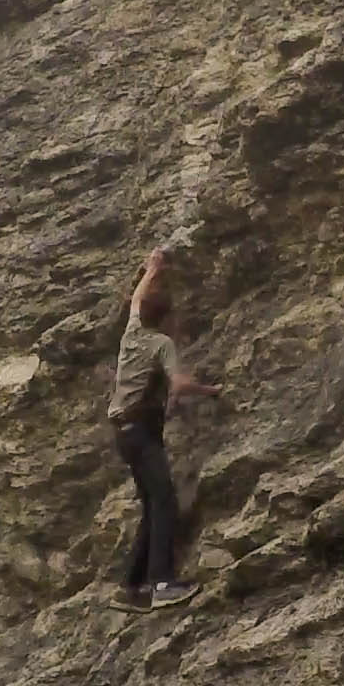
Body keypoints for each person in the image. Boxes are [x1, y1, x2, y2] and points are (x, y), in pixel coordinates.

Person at [106, 247, 222, 611]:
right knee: (165, 501)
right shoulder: (160, 344)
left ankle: (130, 587)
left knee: (152, 504)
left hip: (124, 433)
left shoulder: (132, 334)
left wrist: (152, 269)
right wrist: (211, 390)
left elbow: (138, 298)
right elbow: (179, 385)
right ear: (166, 320)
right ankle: (161, 584)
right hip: (140, 432)